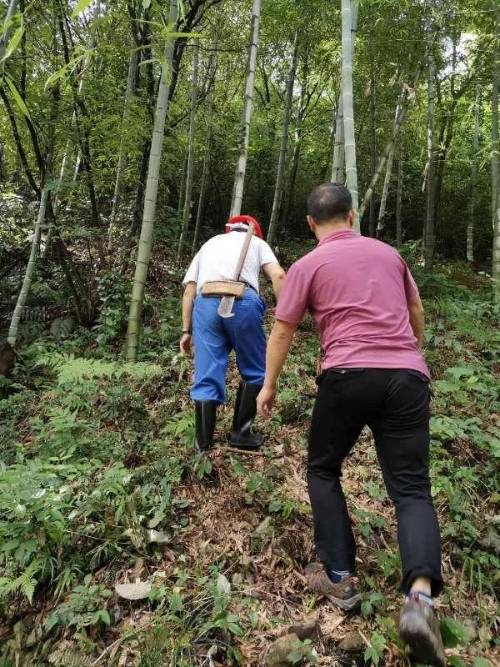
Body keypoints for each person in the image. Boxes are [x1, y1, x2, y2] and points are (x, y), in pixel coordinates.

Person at [257, 183, 445, 666]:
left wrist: (269, 386)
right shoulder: (387, 254)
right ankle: (421, 599)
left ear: (309, 222)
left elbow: (283, 328)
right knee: (411, 490)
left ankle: (339, 576)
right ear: (354, 214)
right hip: (405, 376)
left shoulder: (307, 265)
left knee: (323, 468)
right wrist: (411, 354)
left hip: (346, 374)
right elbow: (416, 311)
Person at [180, 215, 285, 452]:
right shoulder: (257, 243)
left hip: (205, 304)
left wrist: (186, 330)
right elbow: (278, 275)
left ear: (229, 229)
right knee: (256, 369)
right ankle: (241, 433)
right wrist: (286, 314)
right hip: (242, 301)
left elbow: (189, 292)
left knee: (206, 374)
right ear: (255, 231)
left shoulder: (209, 244)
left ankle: (203, 445)